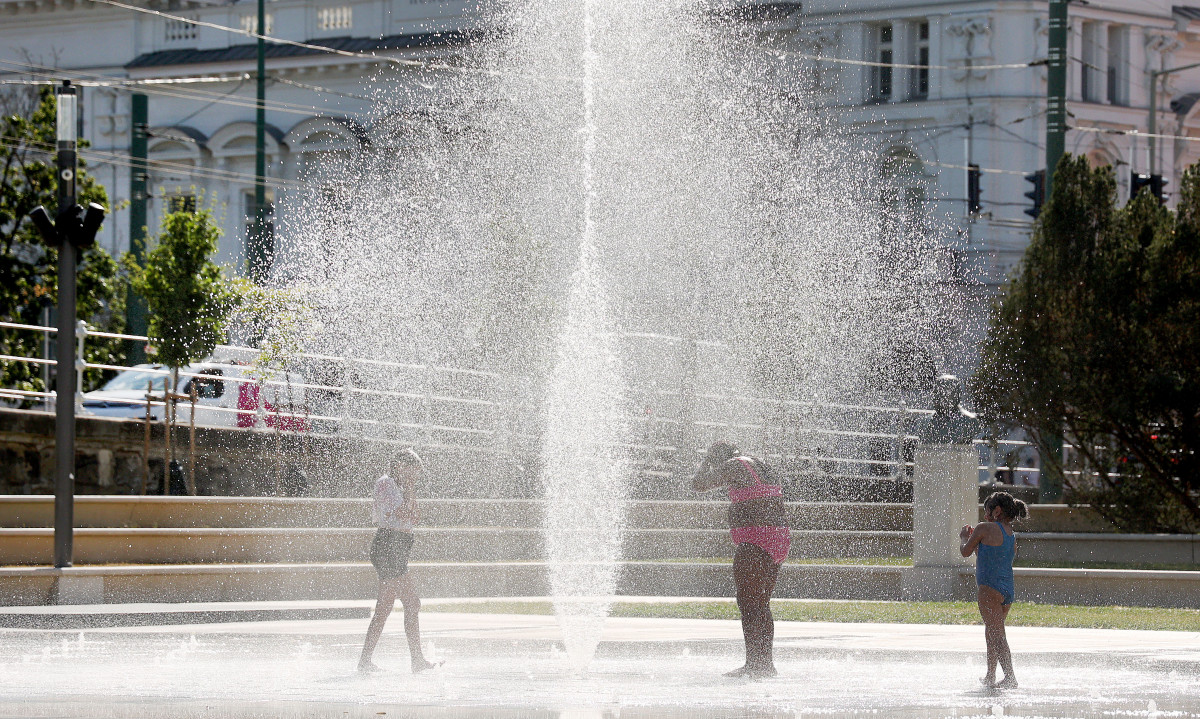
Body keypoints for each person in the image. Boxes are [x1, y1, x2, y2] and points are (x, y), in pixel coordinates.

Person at [693, 440, 791, 679]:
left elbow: (698, 484)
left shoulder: (733, 465)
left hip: (756, 539)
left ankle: (755, 665)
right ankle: (764, 664)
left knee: (748, 604)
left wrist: (706, 460)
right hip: (778, 538)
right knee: (760, 604)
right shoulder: (758, 463)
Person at [358, 448, 439, 673]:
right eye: (412, 471)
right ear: (400, 467)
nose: (415, 476)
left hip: (396, 548)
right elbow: (403, 514)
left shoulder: (400, 486)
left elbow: (415, 517)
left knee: (384, 608)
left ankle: (365, 661)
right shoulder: (386, 483)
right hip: (389, 547)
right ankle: (417, 661)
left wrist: (410, 491)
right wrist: (410, 490)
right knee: (412, 603)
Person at [959, 490, 1028, 689]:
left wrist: (964, 537)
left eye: (987, 510)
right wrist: (976, 542)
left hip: (989, 589)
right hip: (1007, 591)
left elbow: (965, 552)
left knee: (997, 636)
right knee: (992, 632)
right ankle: (990, 675)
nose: (985, 514)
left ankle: (1010, 677)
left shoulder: (984, 528)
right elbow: (991, 556)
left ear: (996, 511)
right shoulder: (1010, 534)